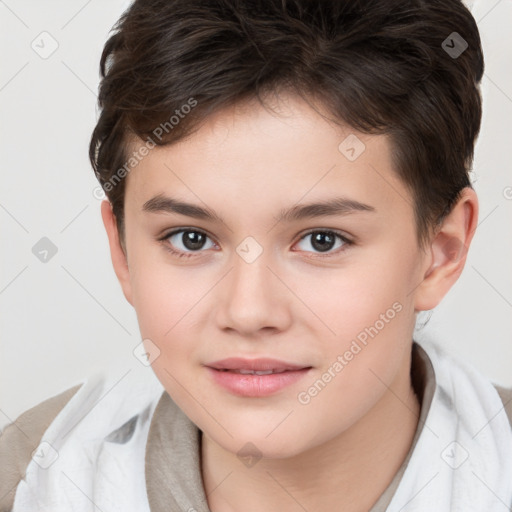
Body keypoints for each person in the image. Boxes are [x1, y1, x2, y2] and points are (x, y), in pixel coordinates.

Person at [1, 0, 511, 511]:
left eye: (322, 240)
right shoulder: (30, 483)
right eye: (191, 239)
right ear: (124, 251)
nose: (248, 312)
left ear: (442, 252)